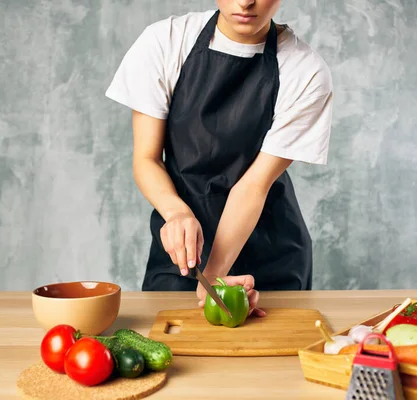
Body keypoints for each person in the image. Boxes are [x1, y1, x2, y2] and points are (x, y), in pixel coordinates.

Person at [105, 0, 333, 317]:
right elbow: (147, 159)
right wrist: (176, 213)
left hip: (271, 250)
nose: (245, 1)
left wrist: (213, 273)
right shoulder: (166, 42)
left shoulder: (304, 70)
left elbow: (253, 185)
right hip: (183, 246)